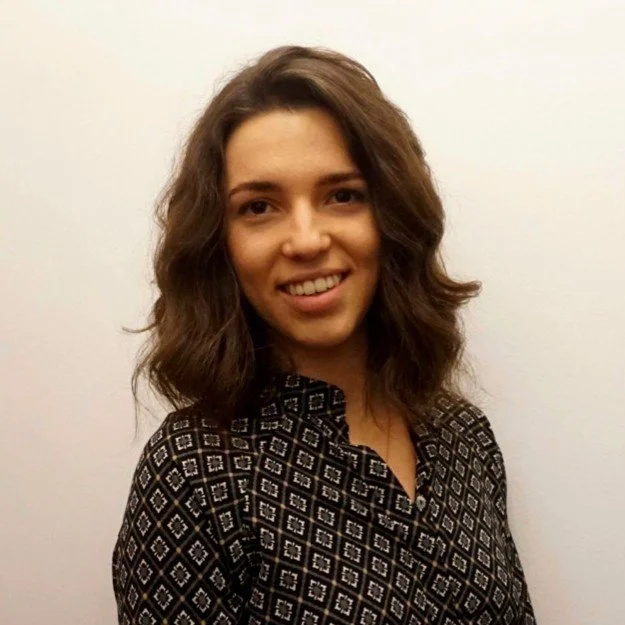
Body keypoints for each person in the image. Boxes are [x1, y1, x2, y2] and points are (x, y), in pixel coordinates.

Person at [112, 45, 536, 624]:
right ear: (219, 243)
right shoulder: (193, 472)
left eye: (342, 196)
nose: (307, 240)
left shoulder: (463, 436)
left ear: (391, 217)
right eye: (259, 207)